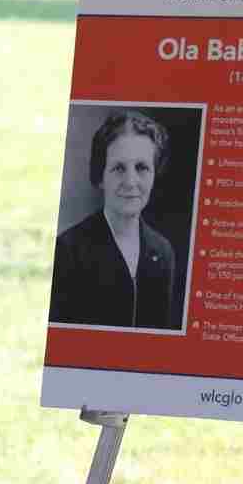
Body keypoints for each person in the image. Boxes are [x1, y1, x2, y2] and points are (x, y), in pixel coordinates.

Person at [49, 111, 178, 329]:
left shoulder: (163, 252)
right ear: (101, 176)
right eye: (119, 168)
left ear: (155, 174)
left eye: (142, 168)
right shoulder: (67, 251)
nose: (131, 181)